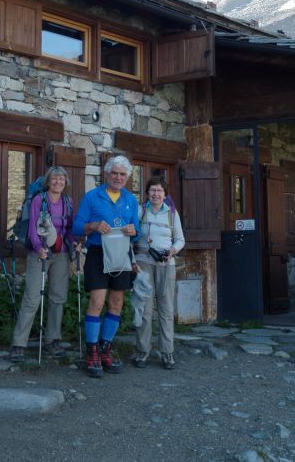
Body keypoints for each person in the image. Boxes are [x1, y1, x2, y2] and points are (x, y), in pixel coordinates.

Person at [71, 155, 140, 377]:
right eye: (115, 173)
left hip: (121, 255)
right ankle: (91, 352)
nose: (118, 177)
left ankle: (105, 349)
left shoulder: (131, 200)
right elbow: (77, 227)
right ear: (106, 174)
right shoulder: (92, 197)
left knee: (117, 302)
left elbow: (137, 231)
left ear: (127, 177)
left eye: (123, 174)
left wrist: (133, 231)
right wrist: (92, 225)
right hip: (98, 254)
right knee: (97, 301)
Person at [9, 167, 74, 363]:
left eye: (61, 179)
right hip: (39, 253)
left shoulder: (68, 202)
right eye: (54, 179)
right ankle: (19, 344)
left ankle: (52, 340)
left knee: (58, 297)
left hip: (61, 254)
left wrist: (75, 243)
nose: (57, 182)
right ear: (48, 182)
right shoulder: (39, 200)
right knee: (32, 297)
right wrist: (38, 248)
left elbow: (69, 228)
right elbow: (32, 229)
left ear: (65, 182)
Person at [131, 176, 184, 369]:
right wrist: (132, 261)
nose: (156, 194)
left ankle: (167, 352)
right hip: (143, 264)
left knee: (166, 309)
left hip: (166, 264)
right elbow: (131, 238)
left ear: (165, 194)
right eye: (152, 190)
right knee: (144, 309)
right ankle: (142, 351)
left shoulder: (171, 214)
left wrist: (173, 251)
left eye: (159, 190)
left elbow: (180, 239)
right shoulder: (140, 211)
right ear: (147, 193)